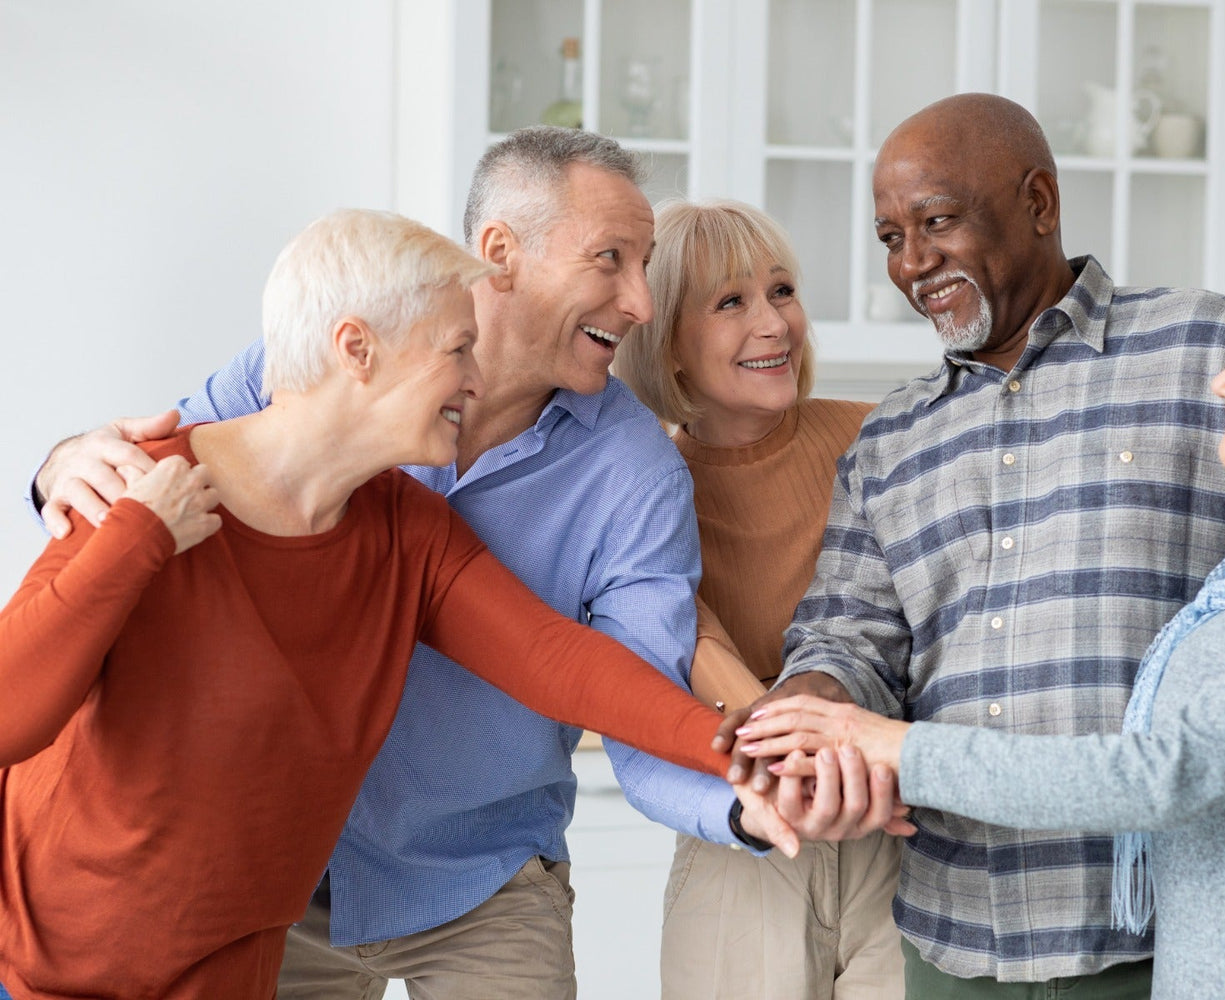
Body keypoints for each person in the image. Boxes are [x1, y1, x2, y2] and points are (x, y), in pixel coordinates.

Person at [719, 93, 1225, 997]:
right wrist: (806, 713)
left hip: (1165, 936)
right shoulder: (889, 441)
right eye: (891, 237)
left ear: (1039, 204)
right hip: (954, 929)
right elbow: (847, 637)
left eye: (936, 222)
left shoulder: (1208, 348)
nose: (914, 261)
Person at [29, 128, 803, 999]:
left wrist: (738, 776)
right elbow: (142, 471)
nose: (641, 301)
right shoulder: (258, 408)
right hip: (265, 885)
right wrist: (65, 467)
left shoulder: (448, 523)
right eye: (609, 259)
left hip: (477, 875)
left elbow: (580, 673)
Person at [613, 199, 907, 998]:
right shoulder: (642, 491)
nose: (774, 322)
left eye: (780, 291)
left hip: (900, 838)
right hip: (743, 847)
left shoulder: (881, 440)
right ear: (668, 344)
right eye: (731, 302)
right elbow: (676, 649)